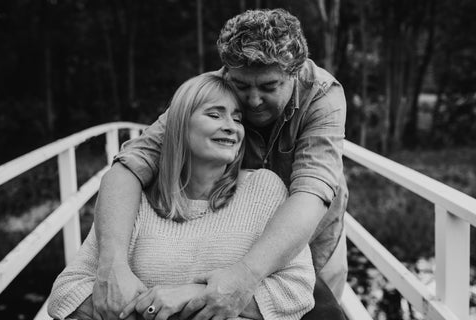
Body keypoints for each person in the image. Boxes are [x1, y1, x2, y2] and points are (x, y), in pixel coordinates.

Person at [93, 8, 348, 320]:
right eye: (242, 86)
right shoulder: (208, 92)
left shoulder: (323, 94)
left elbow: (311, 191)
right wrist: (113, 263)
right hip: (231, 241)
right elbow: (129, 165)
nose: (253, 100)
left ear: (293, 73)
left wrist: (245, 276)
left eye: (268, 87)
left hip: (310, 234)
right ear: (228, 72)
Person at [47, 74, 316, 320]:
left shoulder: (264, 190)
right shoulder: (133, 198)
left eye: (237, 118)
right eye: (215, 114)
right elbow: (67, 290)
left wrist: (192, 296)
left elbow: (297, 290)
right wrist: (154, 307)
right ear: (179, 125)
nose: (231, 127)